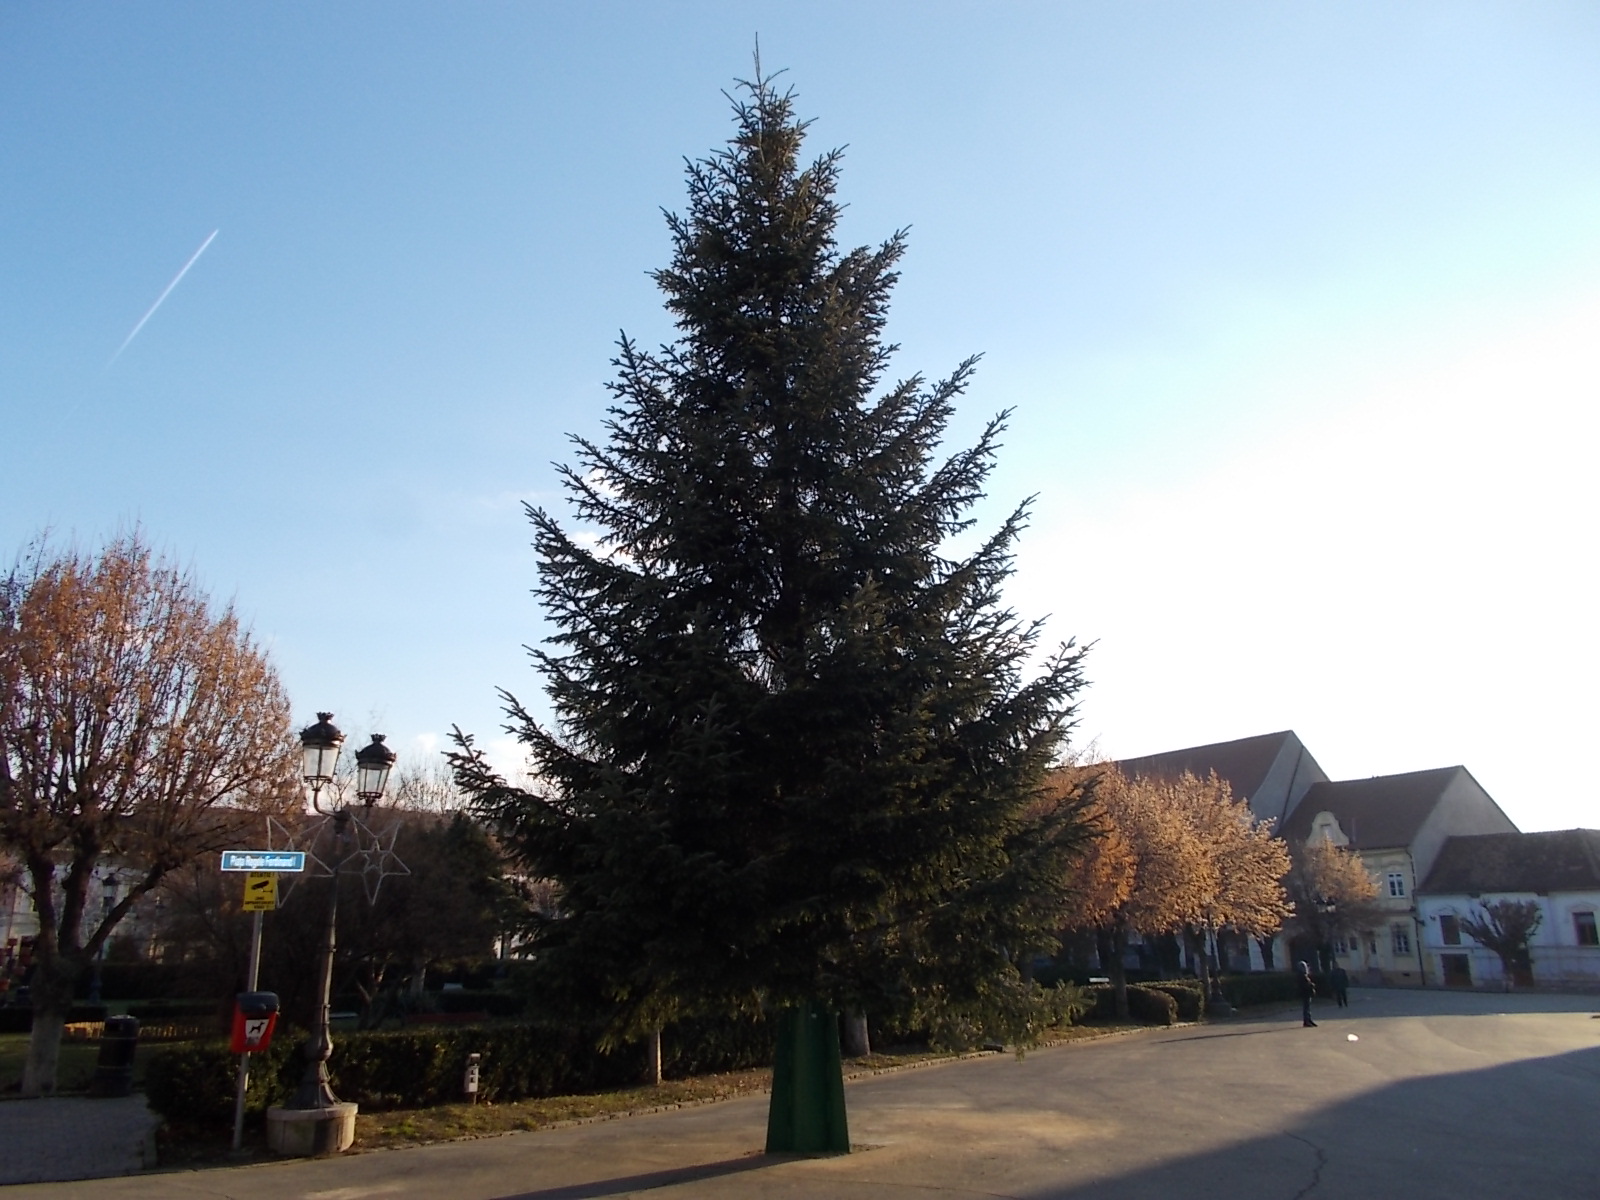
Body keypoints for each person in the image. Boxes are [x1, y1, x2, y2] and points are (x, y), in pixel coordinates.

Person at [1296, 960, 1317, 1027]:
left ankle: (1309, 1020)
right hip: (1305, 993)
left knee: (1308, 1007)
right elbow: (1305, 984)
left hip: (1307, 993)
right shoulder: (1302, 975)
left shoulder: (1303, 975)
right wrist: (1311, 985)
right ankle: (1306, 1021)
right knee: (1306, 1008)